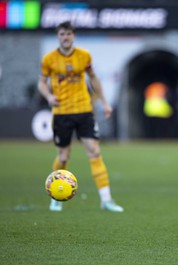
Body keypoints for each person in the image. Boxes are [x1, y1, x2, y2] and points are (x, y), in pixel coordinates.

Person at [38, 21, 123, 212]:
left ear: (73, 36)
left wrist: (104, 102)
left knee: (94, 151)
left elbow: (93, 78)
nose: (65, 37)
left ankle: (106, 199)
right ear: (57, 36)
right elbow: (41, 83)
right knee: (63, 155)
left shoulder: (84, 56)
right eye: (62, 34)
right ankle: (56, 196)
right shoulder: (49, 59)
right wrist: (49, 96)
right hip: (61, 113)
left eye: (68, 34)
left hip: (84, 110)